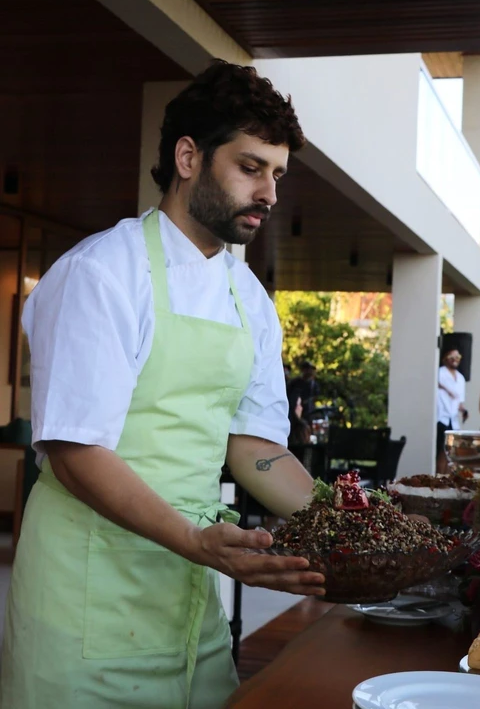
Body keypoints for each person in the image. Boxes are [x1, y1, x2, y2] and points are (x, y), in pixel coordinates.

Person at [0, 61, 326, 709]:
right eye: (251, 167)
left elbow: (253, 446)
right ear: (188, 157)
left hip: (188, 596)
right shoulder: (101, 273)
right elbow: (75, 451)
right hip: (86, 600)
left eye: (278, 174)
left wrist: (353, 526)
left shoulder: (249, 300)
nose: (269, 193)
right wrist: (195, 541)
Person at [436, 348, 467, 474]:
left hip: (453, 420)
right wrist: (447, 389)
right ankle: (438, 476)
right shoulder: (440, 372)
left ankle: (445, 478)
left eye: (457, 357)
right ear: (445, 359)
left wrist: (464, 410)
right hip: (441, 417)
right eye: (452, 357)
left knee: (451, 452)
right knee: (441, 450)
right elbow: (434, 383)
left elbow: (459, 402)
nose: (455, 360)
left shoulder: (461, 378)